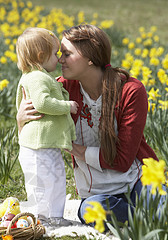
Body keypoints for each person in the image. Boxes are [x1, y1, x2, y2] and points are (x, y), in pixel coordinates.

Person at [16, 24, 159, 228]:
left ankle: (145, 216)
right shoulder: (59, 92)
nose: (59, 60)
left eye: (66, 54)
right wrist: (21, 121)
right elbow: (34, 139)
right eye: (59, 54)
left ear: (90, 58)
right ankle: (146, 220)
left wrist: (73, 149)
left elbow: (122, 160)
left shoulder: (130, 90)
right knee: (93, 210)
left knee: (162, 207)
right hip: (96, 194)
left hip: (137, 181)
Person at [16, 27, 79, 227]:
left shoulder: (40, 76)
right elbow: (42, 103)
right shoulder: (37, 78)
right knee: (40, 182)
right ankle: (40, 217)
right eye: (55, 54)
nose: (58, 58)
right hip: (36, 147)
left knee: (56, 178)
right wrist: (66, 106)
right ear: (42, 56)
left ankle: (55, 216)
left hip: (45, 144)